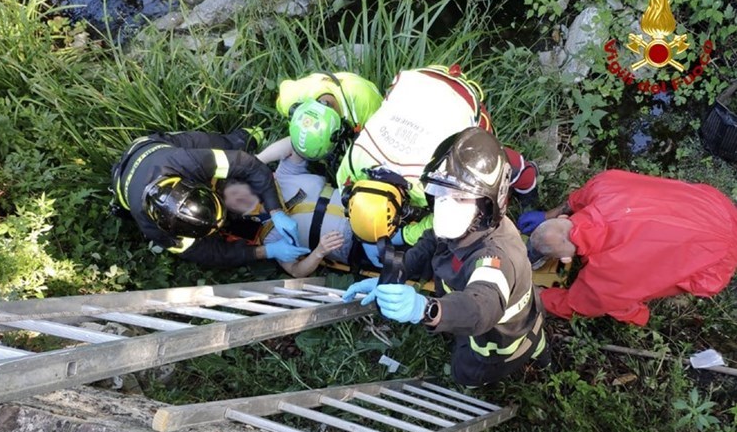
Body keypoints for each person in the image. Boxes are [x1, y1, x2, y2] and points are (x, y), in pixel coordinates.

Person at [343, 128, 547, 387]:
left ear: (487, 205)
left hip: (497, 342)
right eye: (440, 194)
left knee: (463, 374)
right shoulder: (463, 228)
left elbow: (480, 307)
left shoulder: (495, 256)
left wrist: (426, 309)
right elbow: (427, 246)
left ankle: (481, 384)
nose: (445, 207)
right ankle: (541, 351)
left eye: (461, 198)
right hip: (520, 315)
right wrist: (391, 277)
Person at [336, 64, 539, 253]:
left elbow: (442, 216)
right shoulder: (355, 162)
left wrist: (406, 235)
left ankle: (525, 177)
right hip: (415, 82)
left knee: (487, 161)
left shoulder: (425, 182)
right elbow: (341, 180)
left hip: (458, 99)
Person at [520, 169, 737, 326]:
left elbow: (579, 305)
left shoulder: (609, 272)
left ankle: (634, 308)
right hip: (715, 207)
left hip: (715, 261)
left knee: (624, 295)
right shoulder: (603, 185)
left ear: (566, 260)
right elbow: (580, 197)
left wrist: (533, 296)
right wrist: (549, 216)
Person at [110, 128, 308, 268]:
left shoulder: (187, 162)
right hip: (124, 183)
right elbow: (212, 255)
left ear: (194, 183)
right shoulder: (155, 229)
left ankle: (247, 134)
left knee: (229, 144)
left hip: (151, 147)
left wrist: (276, 211)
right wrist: (267, 251)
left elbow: (247, 164)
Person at [221, 157, 355, 277]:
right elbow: (296, 270)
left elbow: (293, 145)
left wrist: (255, 160)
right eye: (235, 204)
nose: (240, 199)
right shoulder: (269, 237)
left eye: (236, 192)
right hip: (352, 244)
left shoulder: (283, 176)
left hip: (362, 203)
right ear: (240, 215)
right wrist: (319, 252)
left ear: (246, 183)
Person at [257, 71, 383, 164]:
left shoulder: (367, 104)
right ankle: (257, 159)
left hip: (357, 89)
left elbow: (379, 143)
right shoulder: (290, 98)